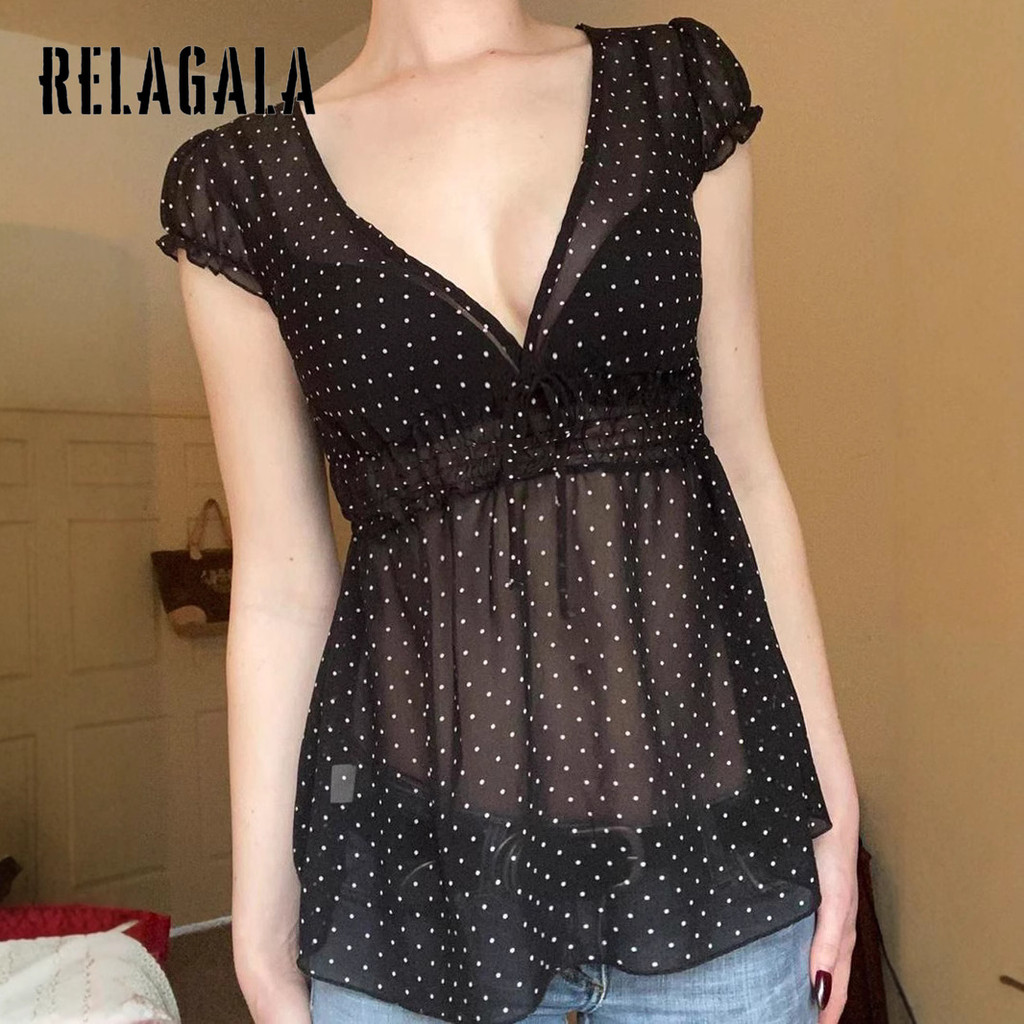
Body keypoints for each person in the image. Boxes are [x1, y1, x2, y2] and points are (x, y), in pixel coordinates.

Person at [155, 4, 860, 1023]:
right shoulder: (240, 187)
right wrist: (260, 933)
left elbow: (745, 472)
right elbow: (280, 585)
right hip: (415, 887)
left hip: (705, 855)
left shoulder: (673, 87)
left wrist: (827, 790)